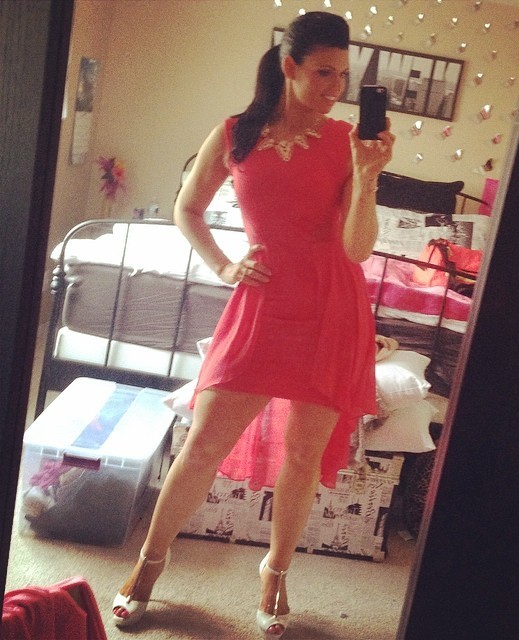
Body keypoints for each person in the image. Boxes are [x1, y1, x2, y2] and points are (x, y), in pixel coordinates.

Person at [112, 11, 394, 638]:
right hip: (262, 305)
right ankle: (149, 564)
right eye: (323, 73)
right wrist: (222, 264)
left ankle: (275, 573)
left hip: (331, 310)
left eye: (343, 76)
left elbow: (356, 249)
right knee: (202, 445)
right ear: (289, 66)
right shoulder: (235, 132)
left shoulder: (347, 140)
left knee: (302, 456)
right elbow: (188, 207)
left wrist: (369, 176)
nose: (335, 88)